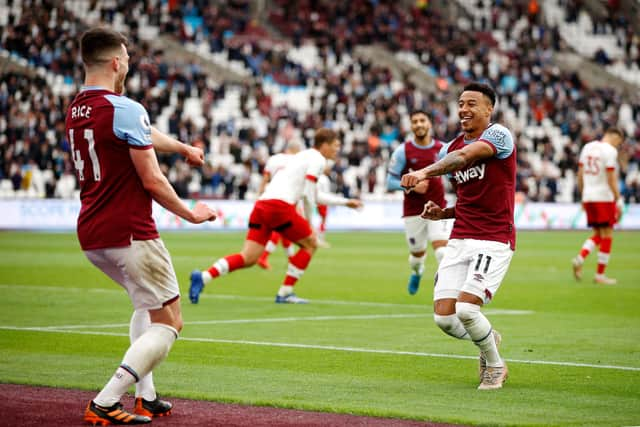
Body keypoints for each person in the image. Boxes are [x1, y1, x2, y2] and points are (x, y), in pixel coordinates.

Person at [66, 27, 217, 425]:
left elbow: (140, 133)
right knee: (170, 323)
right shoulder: (125, 107)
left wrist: (182, 147)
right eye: (127, 59)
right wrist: (191, 213)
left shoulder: (77, 109)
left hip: (92, 232)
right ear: (116, 62)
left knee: (145, 306)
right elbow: (152, 180)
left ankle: (145, 396)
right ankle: (104, 400)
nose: (128, 65)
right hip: (130, 231)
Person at [401, 82, 516, 390]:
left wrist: (424, 172)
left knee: (467, 309)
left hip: (493, 239)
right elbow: (467, 199)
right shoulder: (448, 148)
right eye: (461, 103)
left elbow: (465, 158)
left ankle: (495, 364)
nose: (464, 109)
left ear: (489, 109)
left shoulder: (498, 135)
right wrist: (443, 213)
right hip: (460, 237)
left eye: (472, 104)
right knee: (445, 318)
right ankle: (488, 337)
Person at [189, 128, 362, 304]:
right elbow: (309, 196)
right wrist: (311, 226)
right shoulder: (318, 159)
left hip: (262, 205)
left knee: (249, 257)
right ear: (324, 145)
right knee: (310, 244)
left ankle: (203, 277)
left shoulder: (302, 157)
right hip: (280, 207)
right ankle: (285, 292)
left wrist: (346, 202)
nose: (337, 150)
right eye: (335, 145)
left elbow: (314, 195)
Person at [386, 110, 452, 295]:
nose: (419, 124)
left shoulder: (442, 149)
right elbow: (389, 182)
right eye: (414, 121)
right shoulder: (403, 151)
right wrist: (413, 186)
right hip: (414, 211)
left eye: (422, 120)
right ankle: (417, 272)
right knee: (417, 256)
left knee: (442, 252)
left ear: (429, 123)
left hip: (439, 208)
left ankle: (446, 291)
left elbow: (455, 174)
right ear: (411, 125)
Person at [572, 127, 625, 285]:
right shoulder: (610, 151)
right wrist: (619, 200)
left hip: (589, 195)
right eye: (618, 142)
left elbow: (580, 175)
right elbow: (611, 178)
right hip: (604, 197)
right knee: (607, 234)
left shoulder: (587, 147)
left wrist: (582, 195)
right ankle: (600, 275)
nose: (617, 145)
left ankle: (579, 258)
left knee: (597, 233)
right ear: (614, 136)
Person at [256, 140, 304, 270]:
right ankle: (264, 256)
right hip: (287, 198)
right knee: (282, 228)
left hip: (268, 196)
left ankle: (291, 260)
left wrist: (259, 196)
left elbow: (265, 179)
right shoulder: (299, 161)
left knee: (283, 231)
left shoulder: (274, 159)